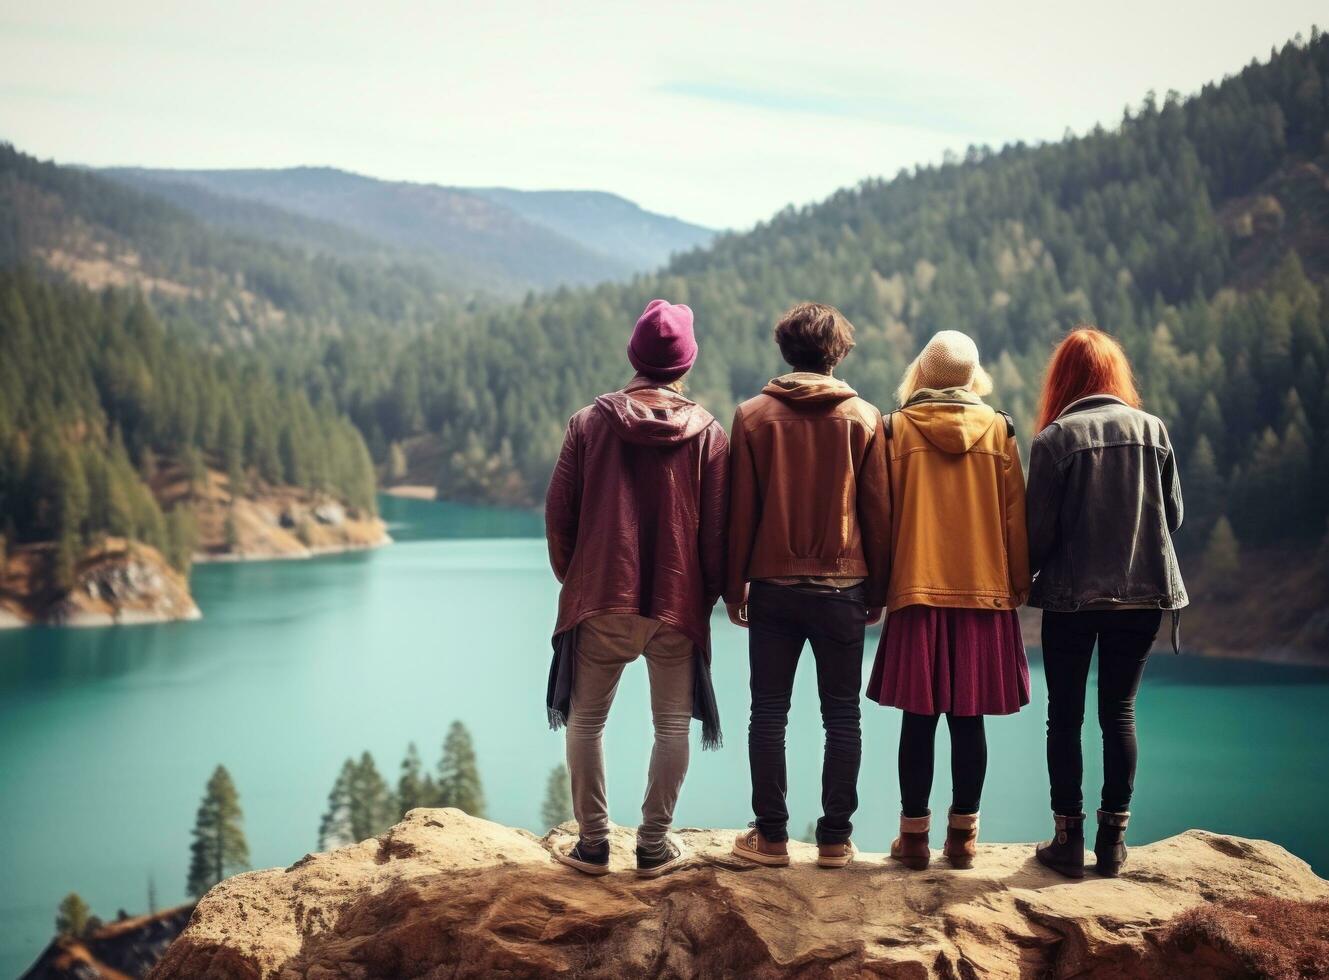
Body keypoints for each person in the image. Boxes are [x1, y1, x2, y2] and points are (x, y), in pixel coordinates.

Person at [545, 299, 729, 879]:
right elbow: (719, 531)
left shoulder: (587, 423)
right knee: (672, 725)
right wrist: (707, 595)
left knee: (586, 721)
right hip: (676, 605)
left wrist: (577, 579)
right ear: (686, 363)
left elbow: (560, 516)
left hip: (600, 596)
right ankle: (653, 844)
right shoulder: (708, 433)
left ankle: (593, 845)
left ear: (634, 356)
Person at [726, 302, 890, 870]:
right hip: (843, 587)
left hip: (772, 587)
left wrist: (733, 586)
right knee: (841, 717)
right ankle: (835, 840)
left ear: (785, 349)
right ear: (838, 353)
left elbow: (739, 512)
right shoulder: (866, 418)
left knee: (768, 713)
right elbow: (877, 513)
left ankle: (770, 839)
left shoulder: (751, 417)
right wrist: (880, 590)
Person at [864, 330, 1031, 871]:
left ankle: (912, 838)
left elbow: (882, 519)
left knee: (918, 718)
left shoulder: (894, 428)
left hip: (915, 590)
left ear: (923, 373)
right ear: (971, 377)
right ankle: (963, 839)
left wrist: (880, 586)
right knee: (969, 718)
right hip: (983, 593)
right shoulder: (999, 429)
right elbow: (1014, 518)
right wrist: (1018, 585)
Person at [1026, 327, 1187, 879]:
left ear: (1063, 379)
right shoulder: (1153, 431)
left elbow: (1037, 533)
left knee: (1064, 717)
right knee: (1118, 711)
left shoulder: (1054, 439)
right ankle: (1113, 844)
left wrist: (1017, 578)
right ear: (1114, 375)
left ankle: (1066, 842)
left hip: (1071, 599)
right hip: (1142, 594)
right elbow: (1174, 517)